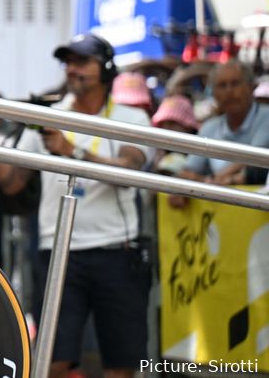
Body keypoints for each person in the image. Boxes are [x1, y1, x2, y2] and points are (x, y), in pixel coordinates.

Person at [16, 34, 151, 378]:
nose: (72, 69)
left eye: (82, 61)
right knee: (52, 361)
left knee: (120, 366)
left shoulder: (131, 118)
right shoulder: (46, 116)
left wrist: (71, 151)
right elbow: (11, 182)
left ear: (106, 70)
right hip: (58, 251)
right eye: (68, 62)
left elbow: (130, 170)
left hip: (117, 252)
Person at [177, 60, 269, 187]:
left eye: (235, 83)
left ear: (251, 87)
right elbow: (189, 171)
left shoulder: (266, 117)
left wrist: (213, 180)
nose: (229, 91)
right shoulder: (209, 127)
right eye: (222, 85)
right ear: (214, 94)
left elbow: (255, 157)